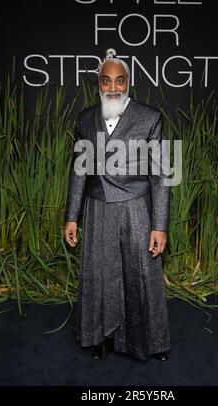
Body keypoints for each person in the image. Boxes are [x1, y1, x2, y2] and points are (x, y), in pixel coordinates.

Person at [64, 48, 171, 362]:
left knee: (142, 276)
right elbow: (79, 171)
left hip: (136, 207)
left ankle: (153, 342)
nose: (113, 87)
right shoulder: (85, 118)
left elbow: (162, 174)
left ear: (128, 83)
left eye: (119, 81)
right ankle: (100, 337)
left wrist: (159, 225)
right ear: (99, 83)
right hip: (97, 208)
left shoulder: (150, 117)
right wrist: (72, 216)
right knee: (98, 276)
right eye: (107, 81)